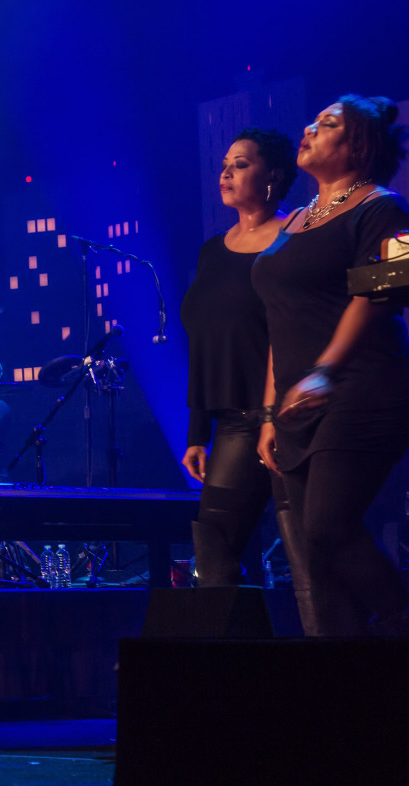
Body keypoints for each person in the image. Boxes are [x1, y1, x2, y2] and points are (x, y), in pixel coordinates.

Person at [253, 95, 409, 636]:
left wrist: (325, 369)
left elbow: (373, 297)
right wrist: (267, 413)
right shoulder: (299, 219)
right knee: (314, 556)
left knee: (327, 527)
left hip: (365, 389)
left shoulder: (382, 208)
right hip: (298, 404)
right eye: (313, 120)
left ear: (358, 144)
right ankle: (348, 692)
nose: (309, 128)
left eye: (327, 124)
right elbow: (282, 321)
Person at [180, 128, 299, 589]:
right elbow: (204, 343)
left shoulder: (295, 237)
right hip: (232, 422)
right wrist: (197, 432)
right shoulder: (212, 250)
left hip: (290, 416)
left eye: (242, 163)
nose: (226, 171)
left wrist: (275, 413)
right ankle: (240, 658)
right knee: (214, 555)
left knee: (311, 554)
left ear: (273, 176)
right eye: (225, 163)